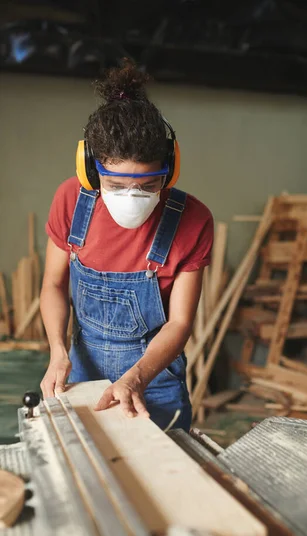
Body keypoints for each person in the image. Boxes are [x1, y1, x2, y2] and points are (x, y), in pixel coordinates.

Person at [40, 59, 214, 431]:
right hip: (82, 375)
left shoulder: (193, 219)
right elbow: (53, 284)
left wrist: (137, 377)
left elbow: (181, 321)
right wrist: (57, 352)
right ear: (91, 171)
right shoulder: (72, 201)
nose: (132, 196)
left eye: (148, 185)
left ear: (169, 170)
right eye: (116, 186)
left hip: (154, 382)